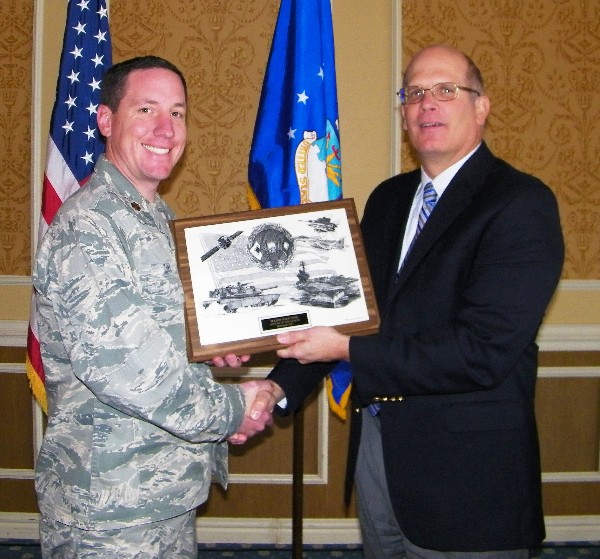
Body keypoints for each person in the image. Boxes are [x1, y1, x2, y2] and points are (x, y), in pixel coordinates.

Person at [262, 45, 565, 558]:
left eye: (446, 90)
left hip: (469, 481)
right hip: (378, 458)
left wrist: (347, 352)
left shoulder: (520, 204)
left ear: (481, 106)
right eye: (415, 93)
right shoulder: (388, 199)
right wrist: (275, 389)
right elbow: (344, 313)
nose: (428, 104)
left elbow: (482, 350)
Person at [33, 56, 276, 558]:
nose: (165, 129)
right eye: (146, 109)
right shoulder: (90, 228)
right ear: (105, 121)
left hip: (159, 494)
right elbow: (130, 369)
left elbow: (155, 329)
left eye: (178, 113)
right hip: (108, 511)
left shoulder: (156, 219)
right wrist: (233, 409)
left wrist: (208, 345)